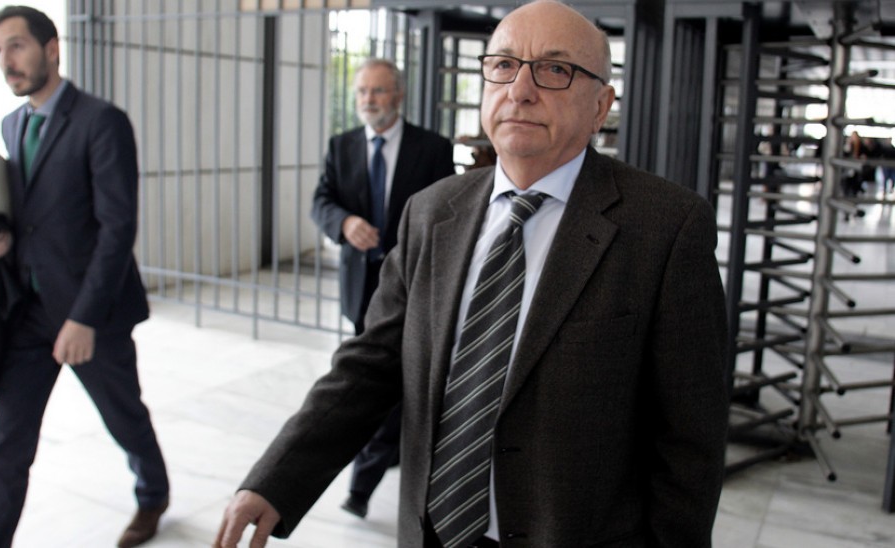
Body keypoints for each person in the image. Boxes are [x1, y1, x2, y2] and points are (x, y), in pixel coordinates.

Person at [215, 1, 729, 547]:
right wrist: (276, 480)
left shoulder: (666, 228)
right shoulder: (431, 211)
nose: (520, 90)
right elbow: (370, 365)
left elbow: (690, 437)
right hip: (433, 531)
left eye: (554, 69)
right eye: (503, 65)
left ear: (601, 105)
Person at [0, 6, 169, 547]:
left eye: (16, 46)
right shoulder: (12, 124)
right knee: (8, 445)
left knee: (124, 418)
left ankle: (153, 495)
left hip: (93, 314)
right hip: (27, 313)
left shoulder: (102, 121)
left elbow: (117, 229)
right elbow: (27, 216)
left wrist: (83, 318)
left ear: (52, 49)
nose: (6, 61)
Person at [311, 58, 456, 518]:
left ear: (398, 95)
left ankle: (363, 482)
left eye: (377, 91)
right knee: (372, 372)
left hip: (413, 284)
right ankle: (383, 453)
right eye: (361, 91)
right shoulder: (341, 146)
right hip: (361, 286)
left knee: (395, 375)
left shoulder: (432, 148)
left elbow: (449, 211)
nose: (368, 100)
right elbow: (321, 201)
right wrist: (344, 223)